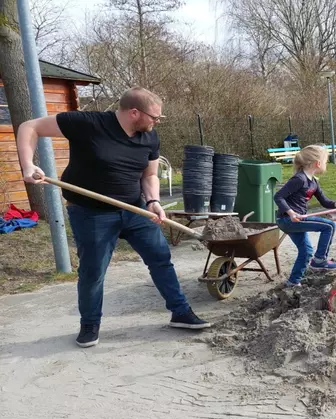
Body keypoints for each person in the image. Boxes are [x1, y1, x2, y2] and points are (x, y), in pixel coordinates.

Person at [18, 87, 211, 348]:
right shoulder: (87, 124)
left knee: (161, 259)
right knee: (93, 271)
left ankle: (180, 312)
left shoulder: (149, 137)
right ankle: (89, 324)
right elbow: (31, 127)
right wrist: (28, 165)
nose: (157, 122)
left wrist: (153, 201)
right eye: (155, 116)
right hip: (91, 213)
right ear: (134, 113)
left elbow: (149, 175)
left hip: (134, 209)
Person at [274, 145, 336, 287]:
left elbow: (325, 202)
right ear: (318, 163)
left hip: (296, 220)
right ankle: (320, 260)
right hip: (288, 219)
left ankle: (293, 282)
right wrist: (290, 212)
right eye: (326, 161)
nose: (326, 164)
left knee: (306, 251)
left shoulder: (313, 182)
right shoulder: (299, 179)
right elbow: (278, 196)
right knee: (329, 226)